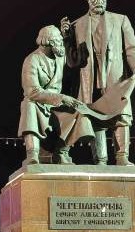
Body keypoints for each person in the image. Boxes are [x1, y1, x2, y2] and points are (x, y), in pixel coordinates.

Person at [61, 0, 135, 166]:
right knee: (95, 117)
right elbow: (72, 62)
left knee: (122, 115)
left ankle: (122, 157)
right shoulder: (77, 25)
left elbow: (132, 49)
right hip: (89, 78)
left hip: (115, 77)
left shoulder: (120, 19)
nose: (98, 1)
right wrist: (67, 38)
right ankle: (100, 160)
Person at [18, 26, 95, 166]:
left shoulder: (59, 56)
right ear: (50, 43)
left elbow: (75, 61)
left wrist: (68, 35)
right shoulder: (32, 60)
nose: (61, 45)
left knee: (79, 110)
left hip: (56, 106)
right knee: (28, 104)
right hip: (39, 104)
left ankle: (61, 152)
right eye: (58, 41)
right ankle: (32, 154)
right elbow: (32, 92)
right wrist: (62, 98)